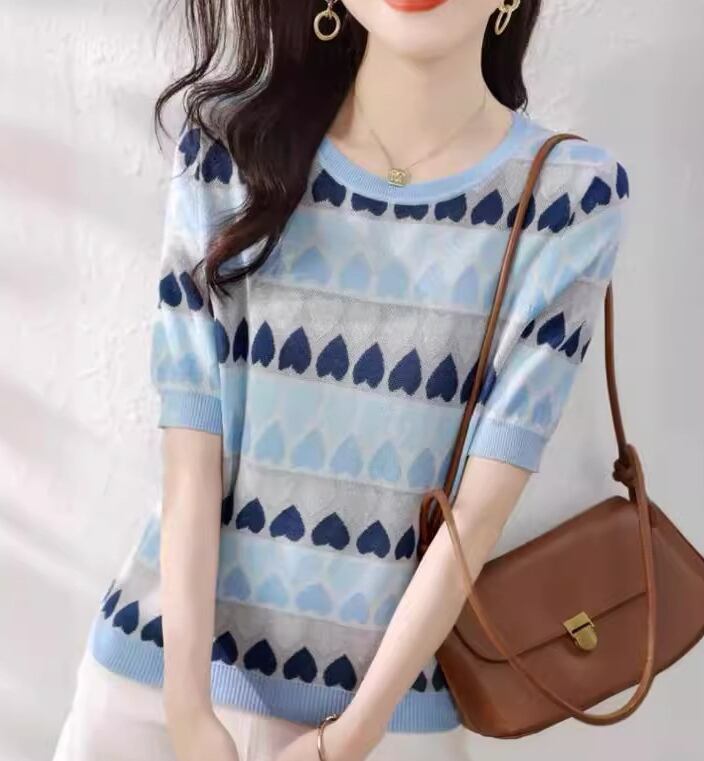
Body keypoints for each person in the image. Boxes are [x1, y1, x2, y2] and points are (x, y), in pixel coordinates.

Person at [52, 0, 630, 759]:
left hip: (381, 721)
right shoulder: (230, 151)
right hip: (156, 686)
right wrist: (188, 711)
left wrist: (351, 735)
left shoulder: (569, 198)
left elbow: (477, 513)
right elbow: (191, 456)